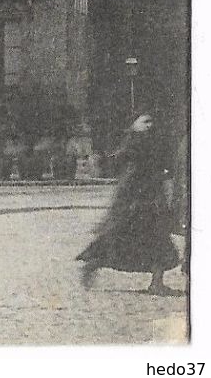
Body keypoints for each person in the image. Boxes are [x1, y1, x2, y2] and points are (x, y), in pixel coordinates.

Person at [78, 112, 180, 294]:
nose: (149, 125)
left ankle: (156, 282)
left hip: (151, 199)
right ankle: (94, 263)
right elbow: (123, 166)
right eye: (145, 122)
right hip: (139, 201)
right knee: (129, 238)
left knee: (158, 240)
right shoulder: (133, 144)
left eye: (151, 122)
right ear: (135, 124)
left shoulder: (151, 143)